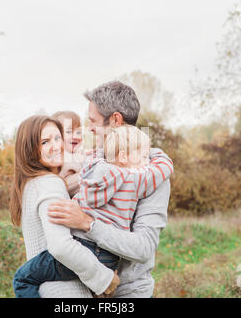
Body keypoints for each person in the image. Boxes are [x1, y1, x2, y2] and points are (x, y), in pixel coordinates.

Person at [12, 124, 173, 298]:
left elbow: (60, 247)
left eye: (58, 138)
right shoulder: (137, 180)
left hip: (84, 246)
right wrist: (158, 154)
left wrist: (102, 278)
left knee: (21, 279)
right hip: (110, 258)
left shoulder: (92, 172)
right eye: (45, 141)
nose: (146, 161)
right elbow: (164, 168)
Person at [46, 81, 172, 298]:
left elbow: (144, 248)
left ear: (115, 120)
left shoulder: (150, 172)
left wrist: (87, 223)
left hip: (127, 293)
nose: (89, 128)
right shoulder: (94, 160)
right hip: (86, 288)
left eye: (93, 121)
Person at [10, 115, 119, 298]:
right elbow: (60, 245)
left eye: (57, 138)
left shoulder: (30, 185)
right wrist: (104, 278)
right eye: (45, 142)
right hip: (66, 291)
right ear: (30, 149)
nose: (56, 146)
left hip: (45, 289)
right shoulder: (50, 184)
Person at [51, 111, 84, 197]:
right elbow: (65, 185)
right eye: (69, 132)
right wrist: (91, 174)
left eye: (78, 132)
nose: (76, 136)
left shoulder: (79, 154)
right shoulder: (61, 158)